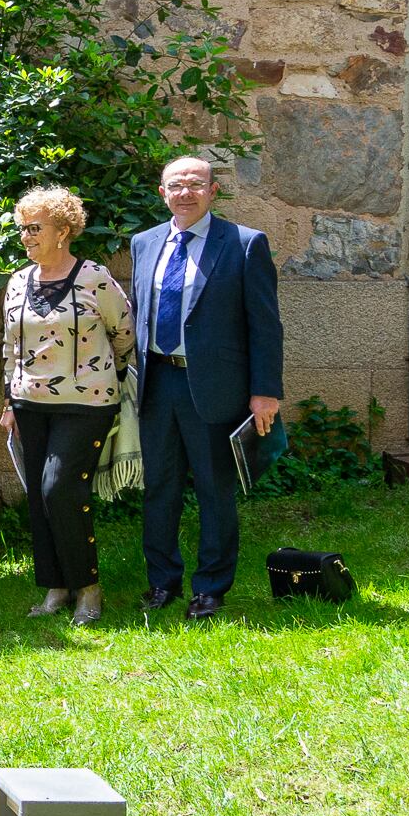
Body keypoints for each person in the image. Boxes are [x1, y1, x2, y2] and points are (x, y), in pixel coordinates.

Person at [131, 157, 283, 622]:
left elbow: (265, 324)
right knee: (159, 488)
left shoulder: (243, 244)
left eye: (196, 184)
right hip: (157, 382)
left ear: (213, 191)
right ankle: (162, 582)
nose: (186, 192)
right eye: (176, 185)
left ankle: (211, 588)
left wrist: (265, 391)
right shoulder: (144, 243)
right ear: (162, 193)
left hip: (215, 389)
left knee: (216, 490)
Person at [0, 187, 137, 627]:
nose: (26, 236)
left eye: (34, 228)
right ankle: (56, 585)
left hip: (87, 404)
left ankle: (88, 587)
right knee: (39, 497)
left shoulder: (95, 277)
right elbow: (10, 348)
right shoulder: (19, 280)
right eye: (23, 228)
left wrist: (101, 375)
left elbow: (125, 334)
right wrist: (8, 400)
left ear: (63, 231)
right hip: (28, 403)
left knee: (60, 489)